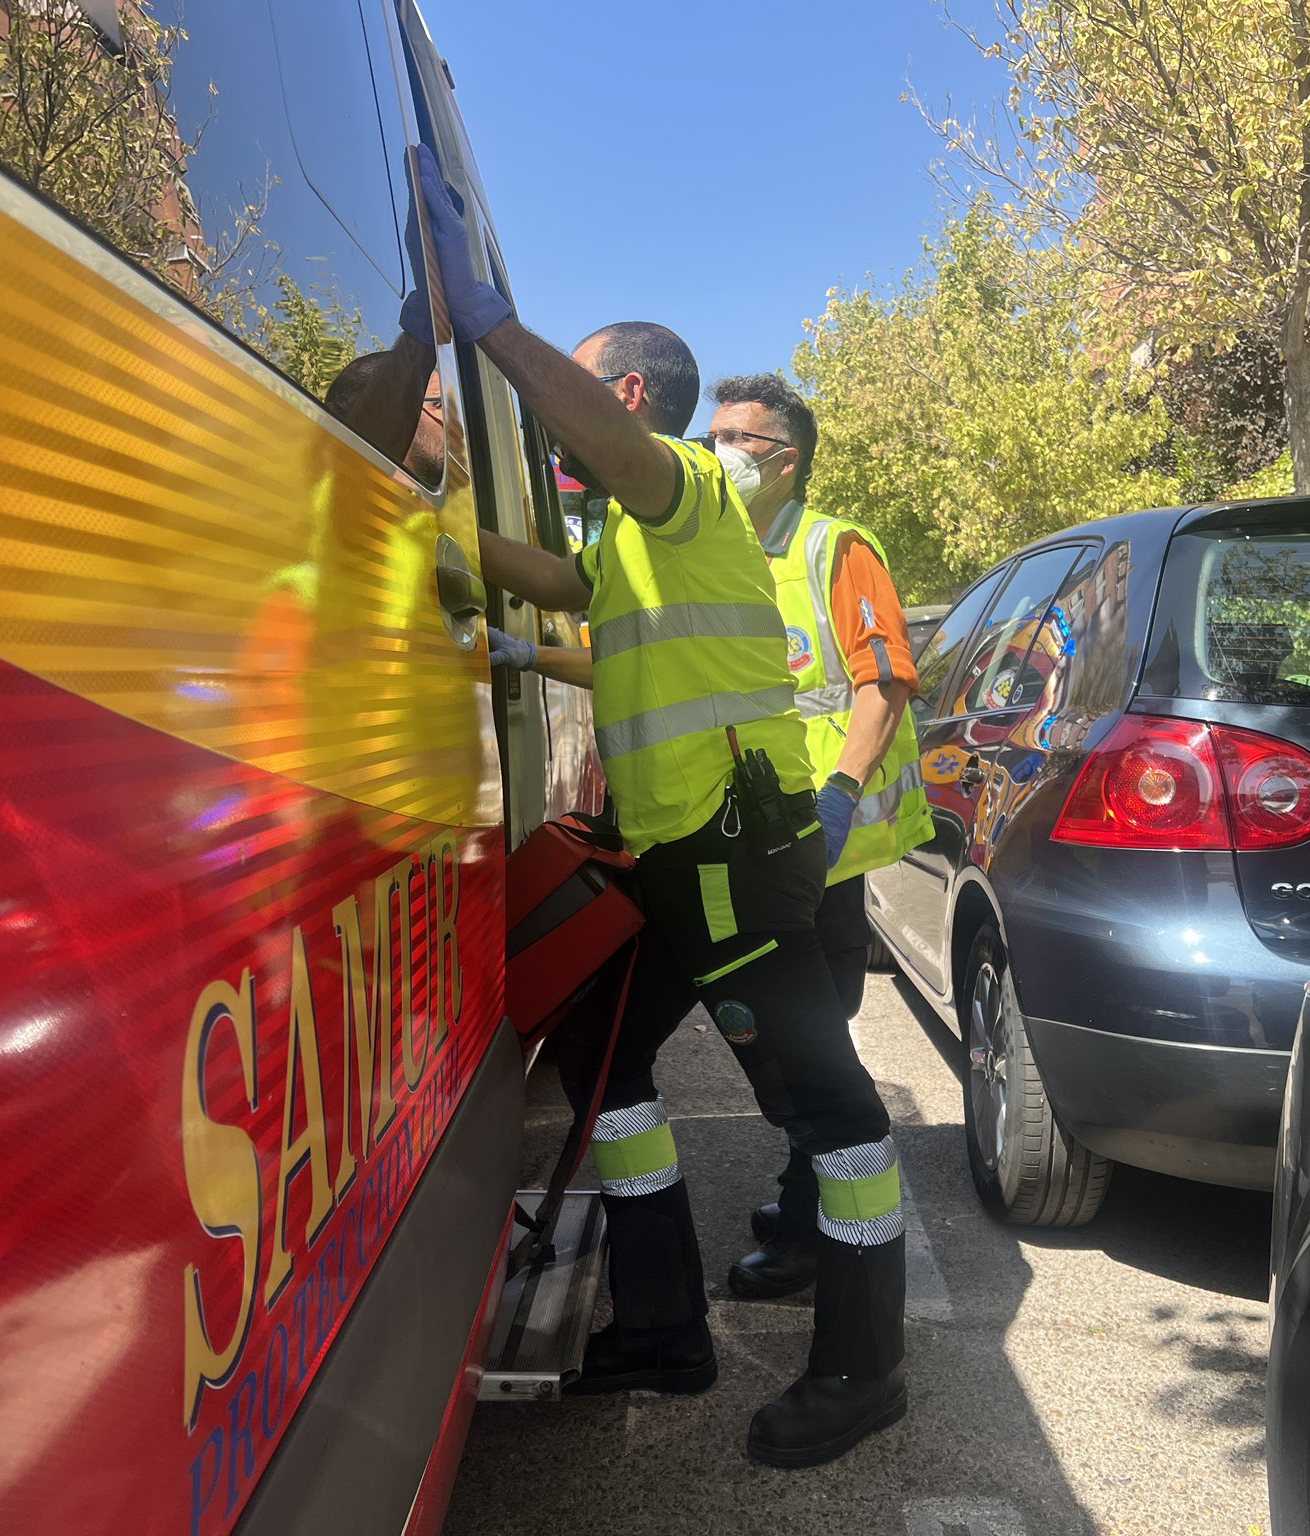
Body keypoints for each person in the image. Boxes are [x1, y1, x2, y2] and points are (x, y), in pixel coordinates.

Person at [406, 144, 907, 1467]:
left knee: (834, 1113)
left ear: (625, 395)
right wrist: (440, 547)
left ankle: (866, 1367)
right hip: (678, 854)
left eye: (589, 385)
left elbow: (626, 456)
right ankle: (666, 1329)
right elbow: (566, 592)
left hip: (735, 850)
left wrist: (492, 329)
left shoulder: (683, 486)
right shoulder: (627, 538)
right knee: (603, 1065)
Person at [495, 377, 932, 1303]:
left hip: (805, 842)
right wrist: (529, 649)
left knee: (808, 1074)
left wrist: (845, 792)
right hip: (699, 841)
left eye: (745, 437)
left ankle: (822, 1246)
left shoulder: (828, 546)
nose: (725, 447)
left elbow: (883, 680)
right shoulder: (680, 533)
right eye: (718, 431)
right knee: (763, 1067)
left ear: (789, 457)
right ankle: (738, 1264)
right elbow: (630, 640)